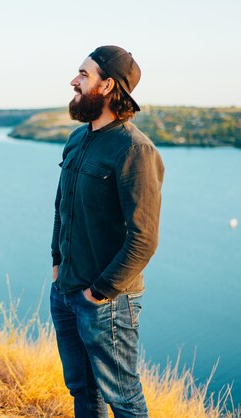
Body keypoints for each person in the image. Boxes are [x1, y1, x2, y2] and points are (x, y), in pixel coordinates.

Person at [50, 45, 164, 418]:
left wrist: (96, 294)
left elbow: (143, 239)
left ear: (107, 85)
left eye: (83, 75)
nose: (73, 81)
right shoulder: (78, 140)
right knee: (83, 391)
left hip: (107, 303)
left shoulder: (134, 150)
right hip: (66, 291)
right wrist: (57, 264)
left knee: (124, 400)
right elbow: (61, 208)